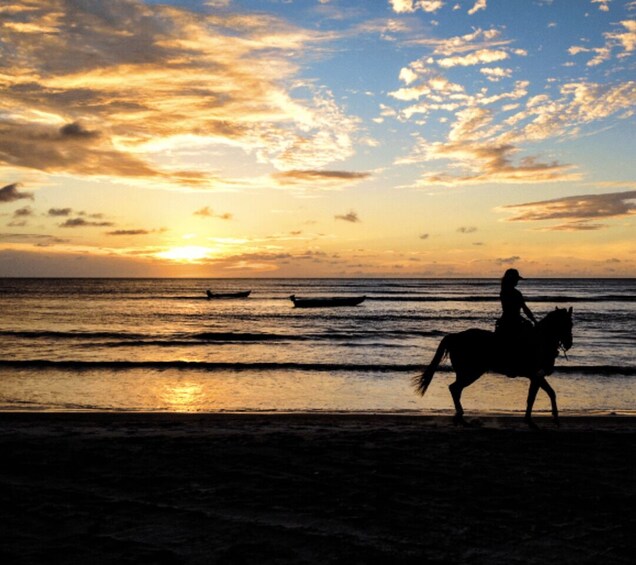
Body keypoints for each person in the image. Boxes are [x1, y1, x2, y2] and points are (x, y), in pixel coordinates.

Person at [495, 268, 537, 375]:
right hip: (511, 321)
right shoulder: (514, 292)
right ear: (512, 279)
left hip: (509, 319)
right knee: (520, 340)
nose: (517, 282)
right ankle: (516, 365)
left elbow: (518, 310)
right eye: (516, 279)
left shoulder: (505, 291)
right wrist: (533, 320)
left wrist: (527, 319)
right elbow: (522, 309)